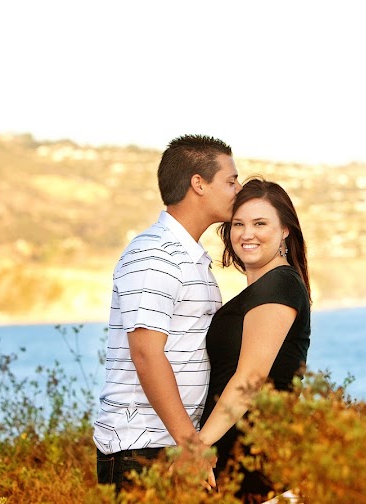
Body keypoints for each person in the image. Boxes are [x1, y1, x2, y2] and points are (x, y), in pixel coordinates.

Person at [93, 134, 240, 490]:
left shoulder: (191, 258)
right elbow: (145, 353)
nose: (239, 189)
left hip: (172, 445)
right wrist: (192, 446)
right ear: (198, 184)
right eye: (231, 180)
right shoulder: (155, 254)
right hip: (144, 451)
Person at [199, 178, 312, 503]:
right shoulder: (262, 290)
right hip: (241, 473)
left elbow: (251, 378)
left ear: (285, 230)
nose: (247, 234)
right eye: (238, 224)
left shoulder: (280, 285)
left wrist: (196, 447)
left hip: (264, 476)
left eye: (260, 223)